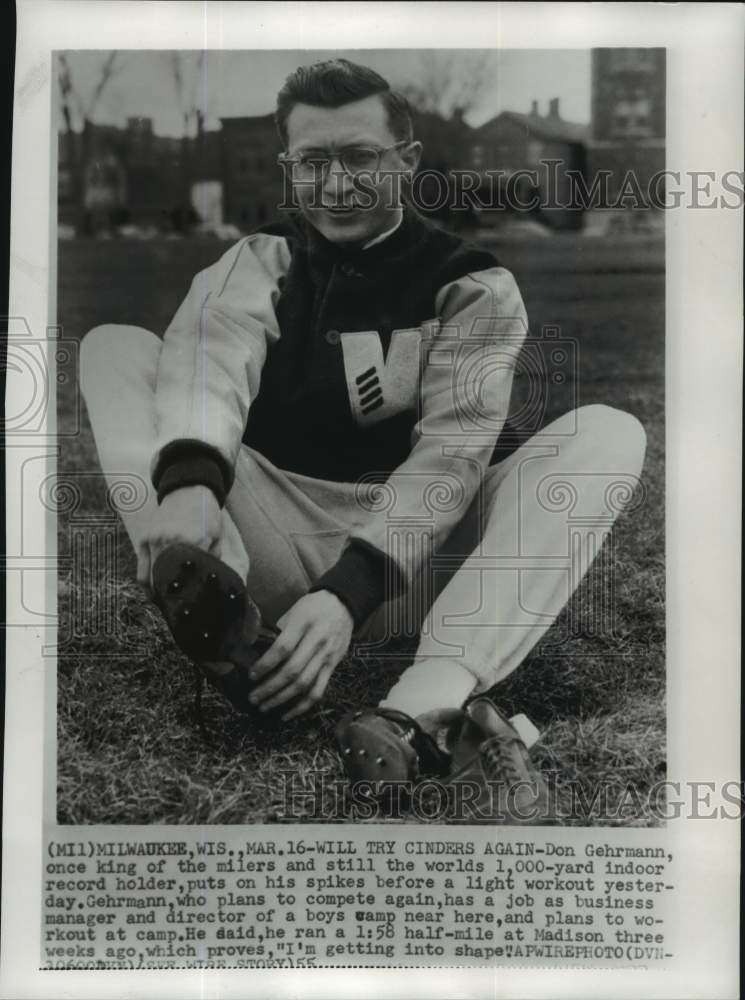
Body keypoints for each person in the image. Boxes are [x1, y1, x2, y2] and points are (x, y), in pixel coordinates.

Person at [80, 59, 646, 822]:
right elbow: (208, 363)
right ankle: (227, 616)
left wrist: (347, 596)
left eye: (358, 158)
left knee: (607, 431)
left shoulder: (473, 281)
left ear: (405, 162)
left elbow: (450, 459)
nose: (336, 185)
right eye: (313, 162)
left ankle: (418, 708)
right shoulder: (256, 261)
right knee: (114, 346)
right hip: (273, 541)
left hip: (421, 567)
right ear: (288, 169)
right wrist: (187, 486)